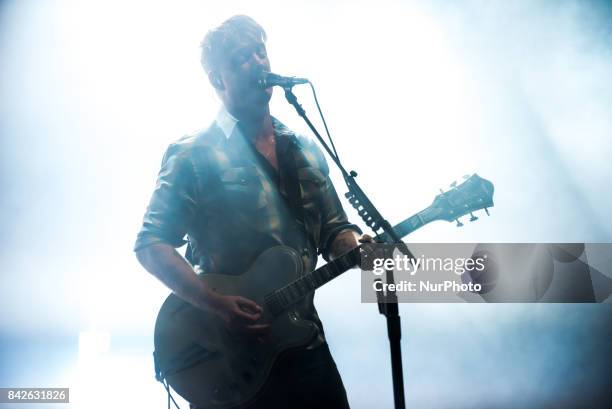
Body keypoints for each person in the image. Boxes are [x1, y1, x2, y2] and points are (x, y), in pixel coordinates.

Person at [134, 15, 368, 409]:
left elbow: (334, 230)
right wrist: (214, 304)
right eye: (242, 57)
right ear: (217, 80)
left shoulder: (305, 150)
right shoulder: (194, 153)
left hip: (304, 344)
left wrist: (356, 245)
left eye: (261, 52)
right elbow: (151, 244)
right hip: (230, 357)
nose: (258, 62)